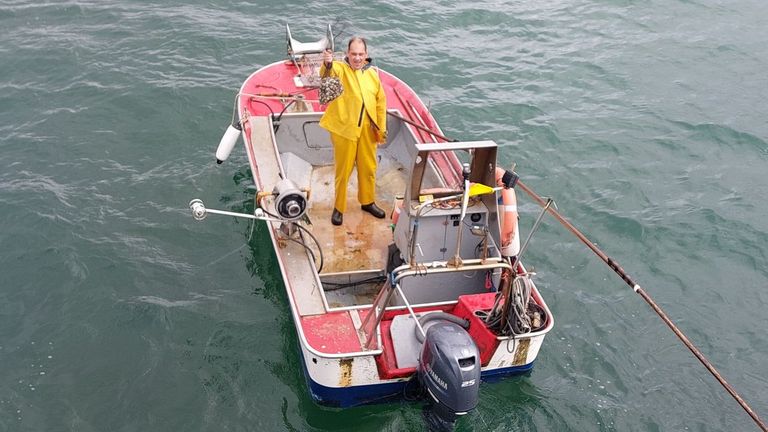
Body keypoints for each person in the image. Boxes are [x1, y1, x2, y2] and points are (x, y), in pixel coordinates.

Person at [319, 37, 387, 226]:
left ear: (366, 55)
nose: (357, 58)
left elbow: (381, 102)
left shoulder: (373, 74)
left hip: (368, 130)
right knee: (343, 171)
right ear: (347, 54)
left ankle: (367, 202)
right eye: (353, 54)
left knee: (369, 168)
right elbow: (327, 72)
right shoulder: (340, 69)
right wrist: (327, 62)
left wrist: (381, 128)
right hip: (345, 130)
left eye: (360, 54)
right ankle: (339, 208)